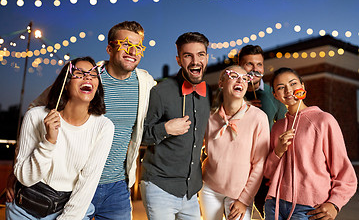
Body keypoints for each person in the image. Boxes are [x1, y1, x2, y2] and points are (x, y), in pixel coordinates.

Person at [6, 21, 155, 220]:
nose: (132, 51)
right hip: (73, 184)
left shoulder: (146, 84)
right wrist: (18, 171)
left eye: (137, 46)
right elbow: (37, 111)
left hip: (116, 186)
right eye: (125, 44)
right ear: (109, 48)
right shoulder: (86, 77)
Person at [6, 57, 114, 220]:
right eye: (79, 73)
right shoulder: (35, 116)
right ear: (66, 83)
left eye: (93, 74)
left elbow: (87, 184)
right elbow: (25, 178)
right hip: (25, 209)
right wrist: (48, 141)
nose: (88, 77)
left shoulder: (104, 127)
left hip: (69, 210)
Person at [264, 67, 357, 220]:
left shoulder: (323, 120)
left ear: (303, 86)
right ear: (275, 95)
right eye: (280, 87)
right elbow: (268, 172)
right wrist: (278, 151)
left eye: (293, 83)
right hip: (274, 205)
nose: (288, 90)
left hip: (309, 208)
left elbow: (345, 173)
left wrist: (335, 204)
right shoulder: (277, 127)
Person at [140, 32, 211, 220]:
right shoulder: (160, 92)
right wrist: (165, 129)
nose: (195, 61)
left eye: (200, 54)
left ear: (207, 57)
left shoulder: (209, 94)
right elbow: (140, 135)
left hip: (191, 191)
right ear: (179, 60)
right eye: (188, 55)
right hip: (159, 186)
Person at [199, 65, 270, 220]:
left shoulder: (258, 118)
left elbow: (259, 164)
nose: (240, 80)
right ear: (221, 83)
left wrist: (244, 200)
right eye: (234, 76)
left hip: (239, 194)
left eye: (245, 78)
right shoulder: (210, 118)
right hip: (209, 189)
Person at [237, 45, 287, 217]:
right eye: (249, 64)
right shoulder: (229, 93)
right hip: (238, 169)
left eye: (259, 64)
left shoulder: (273, 94)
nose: (255, 69)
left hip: (265, 170)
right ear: (239, 67)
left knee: (271, 214)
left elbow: (284, 127)